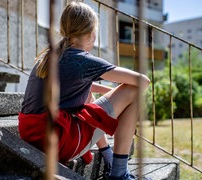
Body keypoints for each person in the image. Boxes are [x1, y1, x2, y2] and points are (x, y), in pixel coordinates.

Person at [18, 1, 150, 179]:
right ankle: (119, 174)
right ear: (90, 33)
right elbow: (143, 81)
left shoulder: (49, 55)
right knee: (134, 92)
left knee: (87, 90)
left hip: (33, 135)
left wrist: (110, 93)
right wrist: (121, 94)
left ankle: (108, 156)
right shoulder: (83, 60)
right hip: (57, 140)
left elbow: (76, 86)